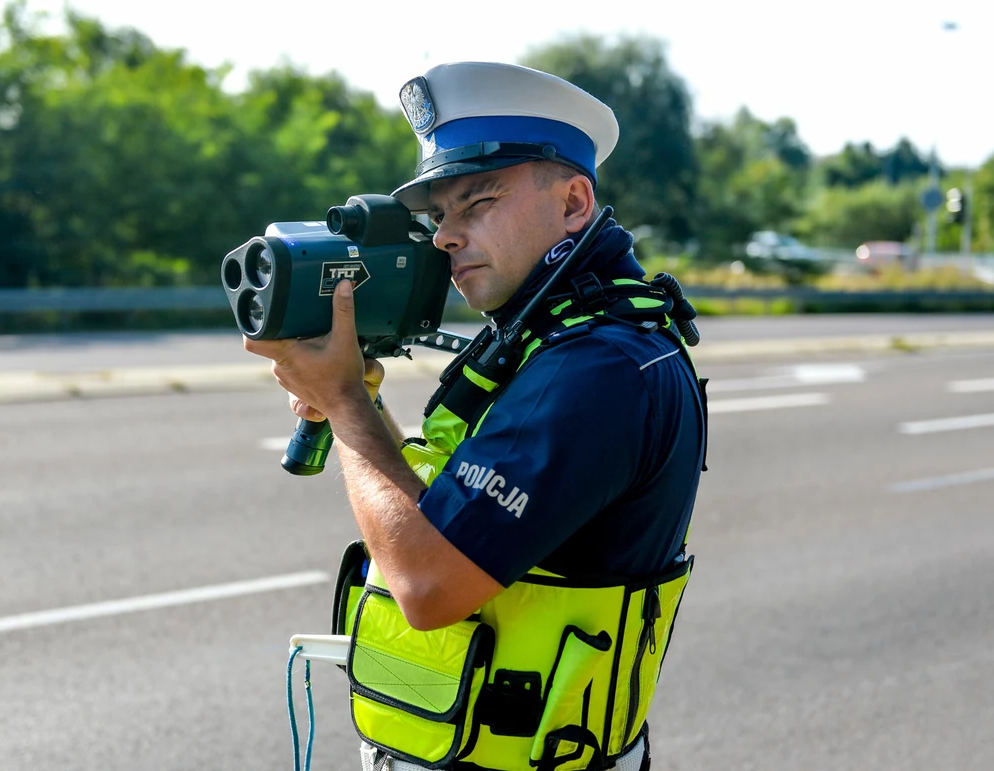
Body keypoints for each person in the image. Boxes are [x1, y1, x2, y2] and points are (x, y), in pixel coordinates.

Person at [244, 61, 707, 771]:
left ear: (574, 203)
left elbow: (429, 585)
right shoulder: (556, 333)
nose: (445, 237)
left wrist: (341, 401)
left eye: (478, 201)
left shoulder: (595, 369)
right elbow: (448, 517)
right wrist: (358, 404)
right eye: (439, 216)